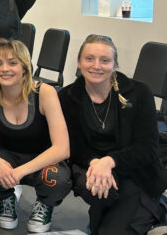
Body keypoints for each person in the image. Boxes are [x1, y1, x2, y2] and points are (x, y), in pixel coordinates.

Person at [59, 34, 167, 234]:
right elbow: (73, 145)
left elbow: (147, 149)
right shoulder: (67, 97)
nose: (96, 66)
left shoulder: (140, 92)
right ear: (79, 62)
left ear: (115, 65)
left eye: (105, 60)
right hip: (93, 169)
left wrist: (109, 161)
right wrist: (95, 163)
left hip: (136, 174)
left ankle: (156, 207)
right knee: (101, 193)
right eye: (89, 58)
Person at [0, 39, 71, 232]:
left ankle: (44, 204)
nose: (4, 69)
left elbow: (62, 148)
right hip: (7, 156)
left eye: (12, 62)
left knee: (56, 179)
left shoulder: (45, 92)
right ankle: (6, 197)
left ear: (24, 67)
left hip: (42, 160)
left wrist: (19, 172)